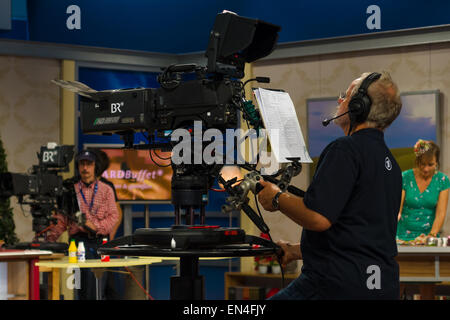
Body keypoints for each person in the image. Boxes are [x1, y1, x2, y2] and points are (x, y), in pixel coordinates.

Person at [257, 71, 403, 299]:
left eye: (346, 95)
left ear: (358, 106)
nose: (339, 100)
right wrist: (295, 251)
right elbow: (356, 232)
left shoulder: (345, 149)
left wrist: (276, 198)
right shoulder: (390, 163)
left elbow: (318, 217)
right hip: (380, 287)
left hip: (334, 285)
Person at [47, 150, 119, 300]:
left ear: (95, 166)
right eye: (82, 164)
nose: (85, 168)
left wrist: (96, 227)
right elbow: (61, 219)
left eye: (89, 164)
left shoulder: (106, 189)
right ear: (78, 167)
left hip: (100, 242)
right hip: (77, 243)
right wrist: (49, 240)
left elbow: (114, 216)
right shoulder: (70, 190)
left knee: (100, 286)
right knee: (80, 286)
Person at [396, 139, 449, 242]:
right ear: (417, 162)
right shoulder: (405, 177)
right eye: (422, 164)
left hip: (428, 238)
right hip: (401, 236)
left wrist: (431, 236)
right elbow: (397, 210)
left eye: (430, 165)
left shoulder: (442, 181)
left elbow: (440, 214)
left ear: (437, 163)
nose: (426, 169)